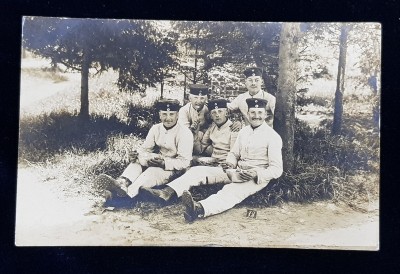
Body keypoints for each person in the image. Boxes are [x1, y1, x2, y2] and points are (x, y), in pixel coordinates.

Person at [181, 98, 283, 222]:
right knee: (198, 171)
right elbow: (234, 153)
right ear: (248, 113)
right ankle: (169, 192)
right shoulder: (243, 132)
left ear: (265, 114)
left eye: (260, 113)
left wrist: (256, 173)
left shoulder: (273, 137)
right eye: (253, 112)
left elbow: (277, 169)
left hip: (256, 176)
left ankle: (199, 209)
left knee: (231, 191)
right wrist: (230, 163)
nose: (256, 116)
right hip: (237, 171)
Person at [95, 99, 193, 206]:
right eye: (164, 114)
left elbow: (185, 162)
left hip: (174, 169)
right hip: (157, 160)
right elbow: (146, 149)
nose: (168, 118)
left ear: (177, 115)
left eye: (171, 114)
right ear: (160, 115)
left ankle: (127, 196)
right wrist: (136, 155)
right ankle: (121, 183)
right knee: (136, 163)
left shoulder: (184, 133)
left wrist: (164, 163)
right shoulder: (156, 128)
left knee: (152, 171)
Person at [141, 98, 238, 204]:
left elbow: (234, 154)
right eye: (214, 112)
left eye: (220, 111)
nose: (217, 115)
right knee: (189, 167)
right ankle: (164, 189)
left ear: (227, 112)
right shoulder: (212, 128)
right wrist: (196, 135)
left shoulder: (234, 129)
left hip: (227, 168)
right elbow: (201, 149)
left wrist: (227, 164)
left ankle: (167, 192)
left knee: (194, 172)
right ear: (210, 114)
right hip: (215, 163)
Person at [178, 84, 211, 155]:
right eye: (195, 98)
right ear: (190, 98)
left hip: (204, 140)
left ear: (206, 99)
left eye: (202, 98)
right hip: (188, 139)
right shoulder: (184, 110)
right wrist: (192, 129)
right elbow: (183, 131)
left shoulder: (208, 109)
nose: (199, 101)